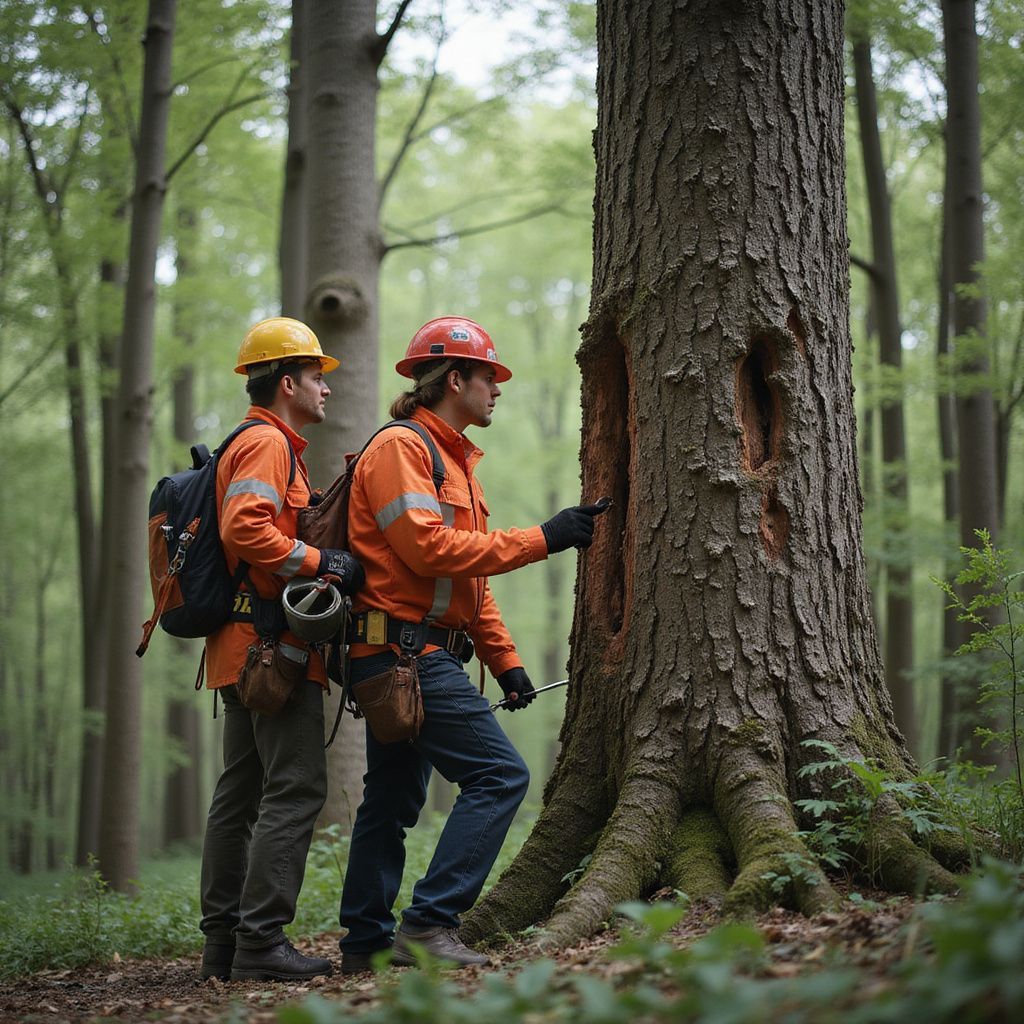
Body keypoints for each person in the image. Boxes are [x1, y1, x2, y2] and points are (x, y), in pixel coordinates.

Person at [338, 315, 608, 972]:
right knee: (500, 775)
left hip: (413, 653)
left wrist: (505, 662)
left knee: (393, 800)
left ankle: (365, 944)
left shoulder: (453, 461)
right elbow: (428, 550)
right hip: (403, 656)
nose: (498, 388)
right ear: (453, 378)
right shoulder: (402, 450)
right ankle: (428, 924)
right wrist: (544, 536)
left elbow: (469, 575)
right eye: (489, 375)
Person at [199, 317, 364, 983]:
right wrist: (323, 561)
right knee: (295, 788)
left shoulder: (255, 444)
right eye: (317, 377)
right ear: (288, 382)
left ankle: (224, 946)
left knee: (238, 796)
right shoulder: (268, 444)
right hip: (272, 651)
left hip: (239, 646)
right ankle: (262, 942)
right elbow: (246, 529)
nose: (326, 388)